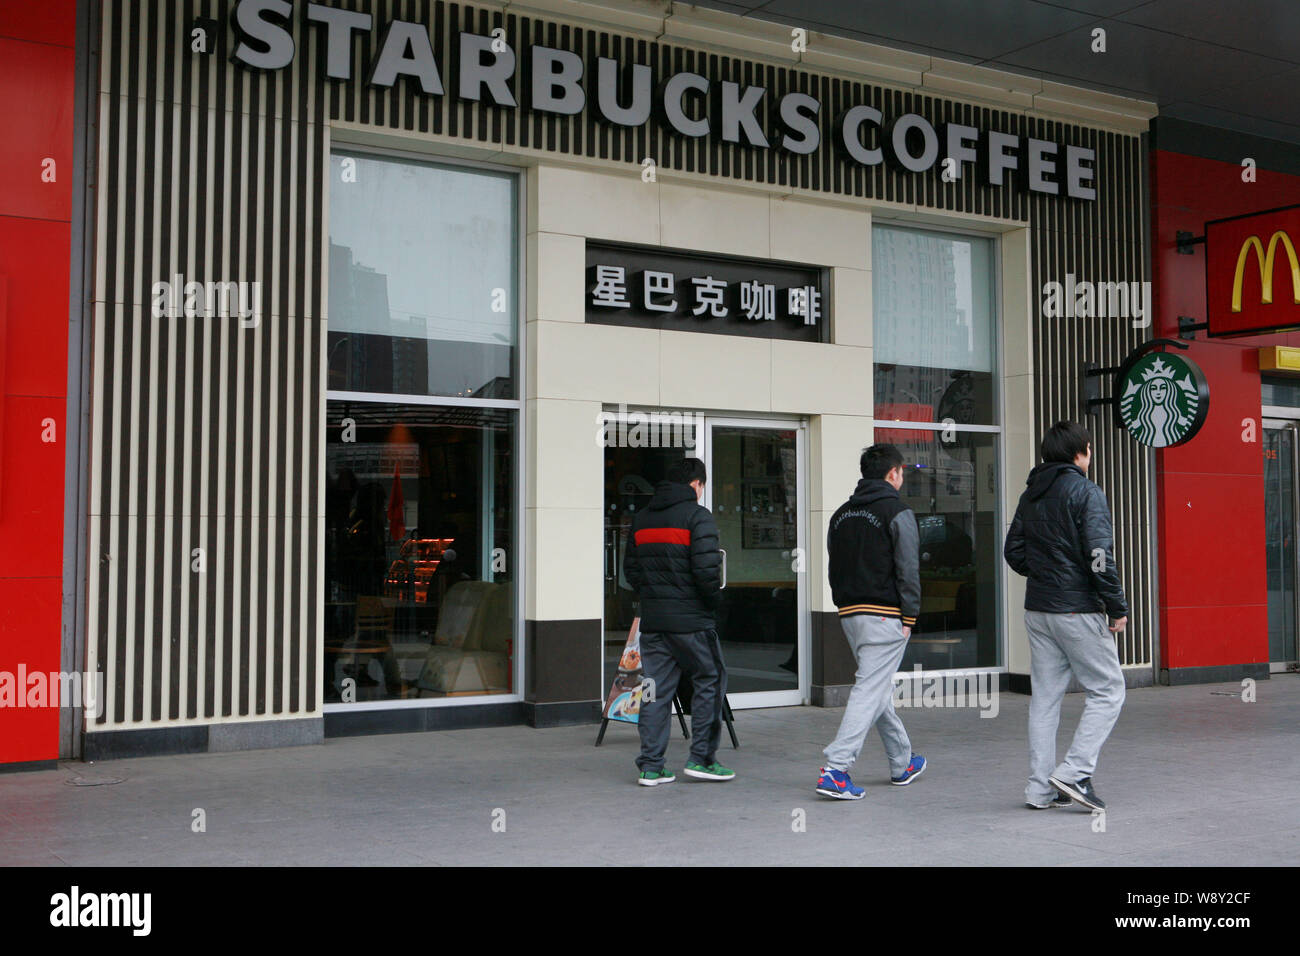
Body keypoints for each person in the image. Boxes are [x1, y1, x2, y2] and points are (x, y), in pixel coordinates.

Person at [1004, 421, 1128, 812]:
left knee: (1044, 699)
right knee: (1108, 690)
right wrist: (1117, 607)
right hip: (1076, 609)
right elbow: (1099, 557)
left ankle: (1039, 790)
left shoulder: (1031, 495)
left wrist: (1044, 573)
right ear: (1082, 452)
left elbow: (1014, 552)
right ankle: (1074, 773)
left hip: (1039, 609)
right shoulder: (1086, 492)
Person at [816, 444, 926, 800]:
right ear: (893, 473)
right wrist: (909, 615)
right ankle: (836, 768)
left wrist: (842, 603)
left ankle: (902, 761)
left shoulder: (841, 515)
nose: (902, 477)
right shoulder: (897, 511)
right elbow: (908, 568)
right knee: (869, 689)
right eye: (902, 472)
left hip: (850, 614)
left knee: (874, 688)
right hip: (886, 615)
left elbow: (834, 565)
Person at [622, 457, 731, 786]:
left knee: (654, 691)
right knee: (709, 682)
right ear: (696, 484)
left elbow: (632, 572)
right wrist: (713, 605)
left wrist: (655, 596)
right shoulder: (698, 517)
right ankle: (702, 759)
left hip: (654, 623)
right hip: (693, 622)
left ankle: (651, 766)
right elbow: (707, 573)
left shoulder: (641, 520)